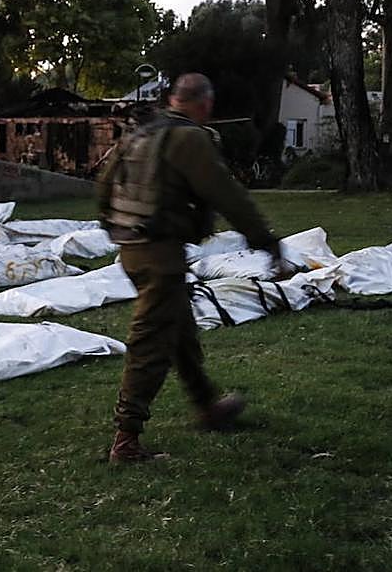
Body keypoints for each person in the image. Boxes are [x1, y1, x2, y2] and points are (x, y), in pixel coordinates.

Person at [97, 72, 281, 464]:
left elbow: (105, 182)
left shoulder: (142, 132)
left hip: (131, 246)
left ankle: (207, 405)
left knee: (178, 328)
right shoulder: (189, 138)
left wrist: (115, 228)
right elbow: (226, 194)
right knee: (152, 342)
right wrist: (265, 240)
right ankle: (126, 440)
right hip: (158, 251)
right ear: (205, 104)